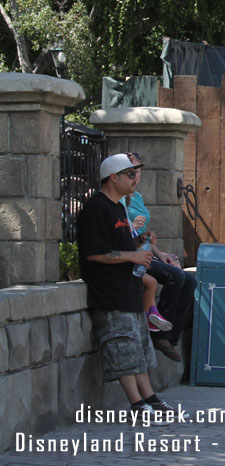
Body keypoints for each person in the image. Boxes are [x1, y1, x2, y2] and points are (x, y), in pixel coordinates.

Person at [76, 153, 188, 422]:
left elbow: (125, 245)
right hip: (109, 292)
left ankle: (151, 399)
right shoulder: (96, 208)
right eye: (129, 174)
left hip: (129, 289)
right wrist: (132, 256)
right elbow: (93, 253)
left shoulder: (119, 207)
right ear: (113, 177)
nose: (134, 179)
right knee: (123, 349)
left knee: (138, 349)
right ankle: (137, 405)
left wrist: (142, 244)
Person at [121, 151, 196, 363]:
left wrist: (161, 254)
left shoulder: (137, 197)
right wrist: (132, 232)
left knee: (189, 279)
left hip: (143, 250)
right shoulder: (119, 200)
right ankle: (158, 332)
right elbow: (123, 236)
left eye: (137, 170)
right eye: (130, 171)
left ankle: (170, 338)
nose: (135, 175)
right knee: (175, 277)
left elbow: (141, 235)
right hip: (130, 255)